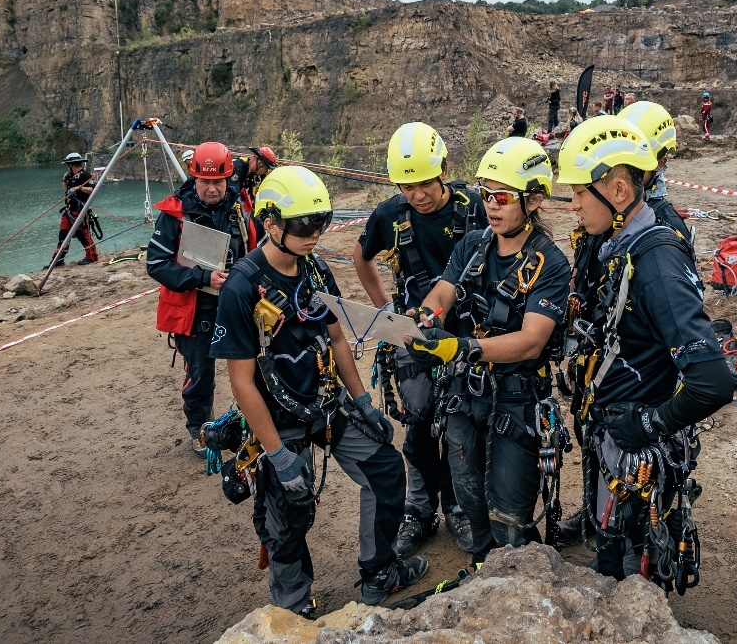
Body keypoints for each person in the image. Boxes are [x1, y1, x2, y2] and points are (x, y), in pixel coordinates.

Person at [210, 166, 425, 615]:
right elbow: (242, 382)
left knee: (386, 472)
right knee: (288, 515)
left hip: (326, 405)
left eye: (321, 223)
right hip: (277, 417)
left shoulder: (315, 270)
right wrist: (275, 454)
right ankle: (292, 605)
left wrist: (362, 401)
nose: (315, 234)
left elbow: (337, 339)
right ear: (270, 224)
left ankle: (378, 572)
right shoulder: (242, 289)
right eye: (305, 225)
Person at [556, 116, 734, 586]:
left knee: (631, 570)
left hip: (637, 442)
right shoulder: (618, 243)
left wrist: (647, 424)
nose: (572, 205)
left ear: (618, 191)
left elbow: (711, 381)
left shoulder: (656, 263)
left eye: (578, 193)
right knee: (610, 551)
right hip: (615, 429)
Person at [406, 137, 570, 565]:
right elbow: (443, 291)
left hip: (516, 400)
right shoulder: (474, 245)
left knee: (509, 516)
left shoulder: (550, 263)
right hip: (466, 395)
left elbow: (533, 338)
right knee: (471, 501)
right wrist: (425, 318)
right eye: (485, 195)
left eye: (501, 196)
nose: (491, 206)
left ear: (533, 200)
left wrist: (461, 347)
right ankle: (482, 573)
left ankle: (514, 578)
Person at [352, 122, 486, 556]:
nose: (419, 195)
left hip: (467, 334)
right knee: (419, 422)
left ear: (444, 169)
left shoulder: (474, 207)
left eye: (426, 183)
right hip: (414, 337)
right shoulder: (390, 215)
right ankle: (419, 509)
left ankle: (462, 509)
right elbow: (362, 255)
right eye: (408, 186)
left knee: (465, 424)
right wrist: (383, 311)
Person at [147, 142, 247, 455]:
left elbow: (256, 250)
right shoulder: (175, 214)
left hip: (236, 306)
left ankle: (251, 423)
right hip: (195, 312)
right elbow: (156, 264)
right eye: (206, 182)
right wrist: (202, 277)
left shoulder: (240, 208)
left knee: (252, 369)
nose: (212, 188)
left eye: (219, 182)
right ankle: (201, 430)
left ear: (228, 179)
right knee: (200, 376)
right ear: (194, 179)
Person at [618, 101, 693, 242]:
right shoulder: (603, 211)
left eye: (635, 162)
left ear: (659, 163)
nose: (620, 172)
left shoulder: (667, 226)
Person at [46, 153, 99, 268]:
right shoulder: (70, 176)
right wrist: (64, 180)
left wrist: (79, 188)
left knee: (82, 235)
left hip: (79, 211)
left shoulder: (84, 175)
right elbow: (66, 191)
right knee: (63, 235)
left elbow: (93, 189)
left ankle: (92, 257)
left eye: (67, 164)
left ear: (71, 164)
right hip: (69, 210)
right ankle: (58, 259)